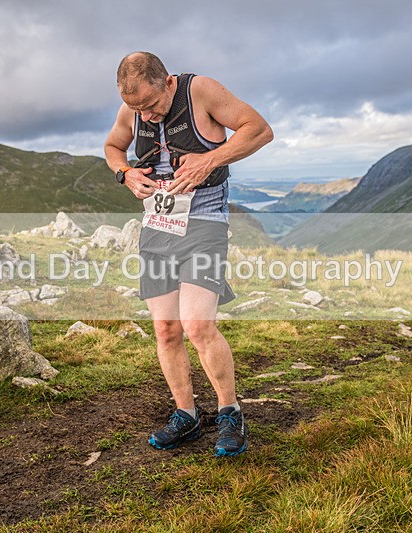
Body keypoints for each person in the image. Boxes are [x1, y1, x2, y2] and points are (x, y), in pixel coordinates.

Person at [105, 52, 273, 456]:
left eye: (150, 105)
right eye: (135, 108)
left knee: (197, 325)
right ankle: (187, 415)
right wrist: (125, 174)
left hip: (204, 221)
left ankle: (230, 412)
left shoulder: (201, 91)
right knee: (166, 329)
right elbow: (113, 146)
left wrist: (210, 160)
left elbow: (260, 130)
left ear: (168, 84)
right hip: (158, 226)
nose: (143, 117)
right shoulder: (132, 108)